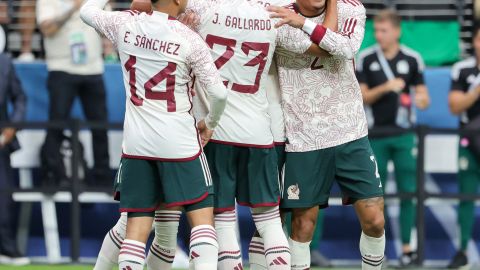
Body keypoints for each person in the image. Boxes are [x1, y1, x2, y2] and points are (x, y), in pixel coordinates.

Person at [184, 0, 332, 268]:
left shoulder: (205, 9)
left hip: (218, 131)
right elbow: (320, 44)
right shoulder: (272, 13)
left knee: (224, 219)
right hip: (259, 132)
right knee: (270, 221)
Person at [81, 0, 228, 269]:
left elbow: (86, 11)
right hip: (180, 144)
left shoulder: (125, 24)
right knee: (202, 224)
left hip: (137, 145)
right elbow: (219, 93)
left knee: (135, 233)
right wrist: (210, 122)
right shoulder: (189, 38)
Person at [265, 1, 386, 269]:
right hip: (304, 136)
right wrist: (301, 23)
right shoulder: (280, 14)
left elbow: (347, 48)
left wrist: (305, 24)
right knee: (302, 225)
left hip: (351, 130)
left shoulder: (352, 9)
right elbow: (324, 48)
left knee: (375, 219)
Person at [356, 9, 430, 267]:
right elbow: (362, 97)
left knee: (408, 191)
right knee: (375, 197)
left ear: (397, 31)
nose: (379, 35)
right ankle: (378, 251)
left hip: (404, 135)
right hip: (374, 135)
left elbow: (423, 95)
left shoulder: (412, 59)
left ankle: (408, 249)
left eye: (384, 30)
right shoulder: (365, 58)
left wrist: (420, 99)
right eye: (376, 30)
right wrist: (387, 87)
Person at [37, 0, 111, 187]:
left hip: (93, 69)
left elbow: (108, 28)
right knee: (56, 124)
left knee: (100, 126)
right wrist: (73, 8)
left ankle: (102, 178)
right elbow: (46, 29)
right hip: (61, 68)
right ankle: (52, 175)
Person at [446, 25, 480, 269]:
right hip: (470, 141)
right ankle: (462, 250)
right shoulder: (462, 69)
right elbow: (455, 106)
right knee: (465, 197)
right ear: (474, 42)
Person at [0, 53, 29, 266]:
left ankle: (6, 248)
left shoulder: (5, 62)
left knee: (4, 196)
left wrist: (13, 125)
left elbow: (19, 97)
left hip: (1, 142)